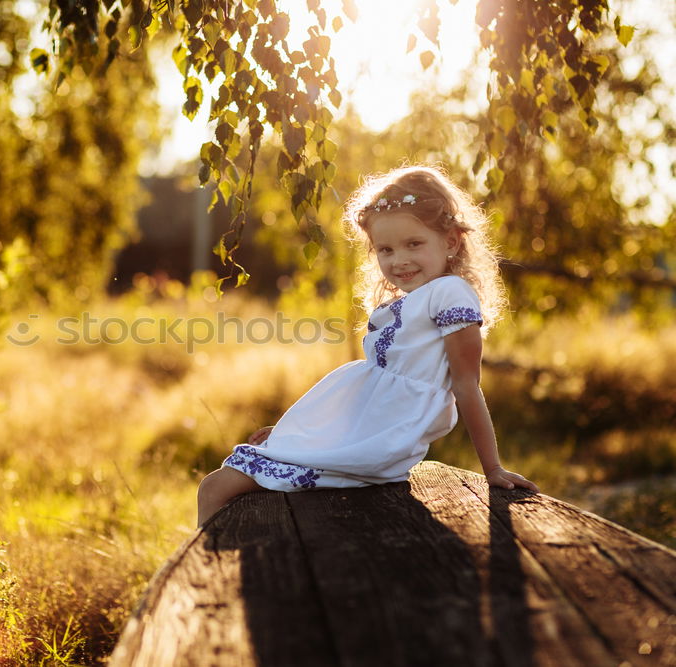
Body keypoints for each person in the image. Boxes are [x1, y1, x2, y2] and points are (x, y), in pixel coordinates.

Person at [197, 164, 539, 527]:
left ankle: (204, 572)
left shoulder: (449, 293)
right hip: (362, 431)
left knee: (216, 488)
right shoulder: (407, 302)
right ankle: (206, 566)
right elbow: (365, 393)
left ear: (451, 241)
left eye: (414, 244)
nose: (399, 260)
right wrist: (293, 432)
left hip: (376, 441)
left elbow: (466, 385)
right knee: (217, 486)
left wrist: (494, 468)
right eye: (386, 249)